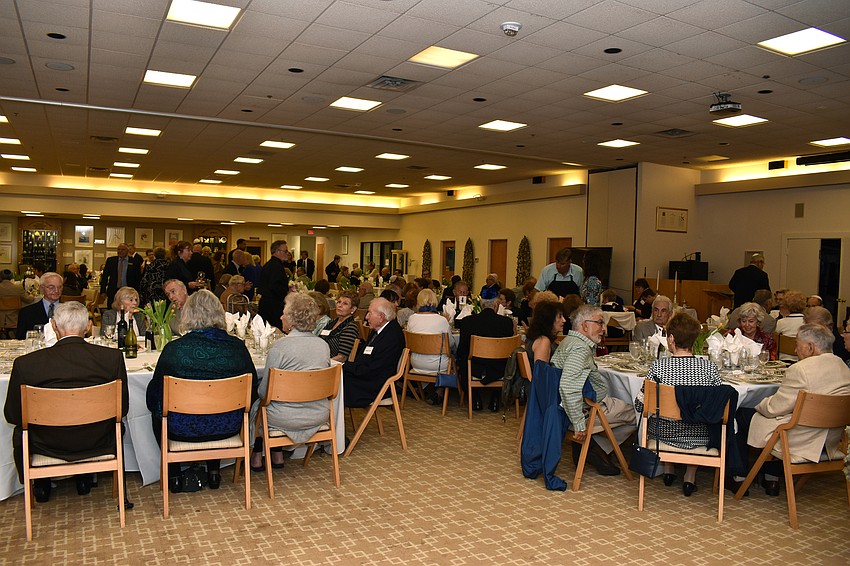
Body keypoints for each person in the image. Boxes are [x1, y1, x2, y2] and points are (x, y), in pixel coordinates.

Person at [4, 301, 129, 503]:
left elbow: (12, 414)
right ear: (88, 326)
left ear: (53, 326)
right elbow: (122, 408)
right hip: (97, 440)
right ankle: (84, 476)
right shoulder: (111, 358)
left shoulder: (27, 364)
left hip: (46, 443)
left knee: (21, 430)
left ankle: (40, 482)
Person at [145, 290, 258, 493]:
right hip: (228, 425)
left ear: (187, 315)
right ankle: (214, 471)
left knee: (157, 411)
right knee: (214, 409)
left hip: (180, 429)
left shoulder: (174, 350)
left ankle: (176, 473)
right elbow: (253, 391)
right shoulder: (237, 348)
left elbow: (153, 397)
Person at [740, 324, 850, 496]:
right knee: (783, 419)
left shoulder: (801, 369)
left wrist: (759, 403)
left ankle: (741, 476)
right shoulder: (843, 366)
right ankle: (771, 477)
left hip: (800, 439)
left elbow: (774, 408)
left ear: (811, 347)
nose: (795, 349)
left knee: (743, 414)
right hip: (831, 440)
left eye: (798, 344)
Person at [634, 313, 722, 496]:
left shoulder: (659, 367)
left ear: (671, 338)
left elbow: (640, 405)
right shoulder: (710, 368)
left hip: (662, 436)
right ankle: (689, 477)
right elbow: (716, 409)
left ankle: (668, 470)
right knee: (698, 419)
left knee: (661, 418)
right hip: (699, 436)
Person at [249, 293, 331, 471]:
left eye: (284, 313)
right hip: (318, 414)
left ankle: (257, 454)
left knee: (257, 400)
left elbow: (265, 393)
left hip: (284, 418)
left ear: (293, 321)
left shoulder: (280, 347)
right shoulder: (323, 346)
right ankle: (276, 453)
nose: (280, 317)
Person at [551, 305, 636, 476]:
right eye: (599, 323)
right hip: (586, 412)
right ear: (584, 325)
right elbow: (568, 388)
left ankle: (592, 448)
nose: (604, 329)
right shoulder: (580, 349)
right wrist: (579, 425)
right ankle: (598, 450)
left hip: (564, 409)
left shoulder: (568, 341)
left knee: (619, 404)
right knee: (636, 413)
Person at [455, 293, 514, 412]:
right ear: (496, 305)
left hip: (475, 368)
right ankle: (496, 397)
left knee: (464, 358)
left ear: (481, 304)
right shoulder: (507, 323)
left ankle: (475, 396)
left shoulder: (467, 322)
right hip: (499, 368)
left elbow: (461, 349)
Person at [342, 298, 405, 408]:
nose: (366, 317)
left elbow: (374, 369)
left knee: (332, 384)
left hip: (375, 386)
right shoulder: (379, 330)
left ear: (381, 317)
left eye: (369, 313)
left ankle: (330, 422)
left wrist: (344, 366)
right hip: (368, 377)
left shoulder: (391, 336)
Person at [16, 272, 62, 339]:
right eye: (51, 287)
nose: (56, 290)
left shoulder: (70, 312)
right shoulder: (26, 313)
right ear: (41, 289)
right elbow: (21, 339)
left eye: (59, 287)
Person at [257, 240, 290, 329]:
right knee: (275, 329)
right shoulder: (276, 266)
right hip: (273, 305)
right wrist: (287, 292)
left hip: (267, 302)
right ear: (277, 251)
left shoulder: (270, 264)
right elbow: (274, 286)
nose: (288, 254)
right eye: (285, 251)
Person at [319, 291, 361, 362]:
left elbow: (342, 357)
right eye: (339, 302)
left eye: (345, 303)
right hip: (320, 360)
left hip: (332, 367)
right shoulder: (331, 322)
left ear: (353, 309)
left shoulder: (350, 328)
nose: (340, 305)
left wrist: (322, 363)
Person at [99, 243, 142, 309]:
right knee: (112, 309)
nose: (120, 251)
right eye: (118, 249)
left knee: (128, 309)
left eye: (123, 249)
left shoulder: (134, 262)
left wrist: (137, 292)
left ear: (128, 251)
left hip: (128, 291)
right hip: (113, 290)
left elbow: (138, 278)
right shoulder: (111, 261)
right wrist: (103, 291)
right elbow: (105, 277)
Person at [525, 300, 565, 364]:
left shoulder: (538, 338)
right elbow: (541, 371)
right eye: (559, 317)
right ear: (549, 319)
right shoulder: (543, 341)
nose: (564, 320)